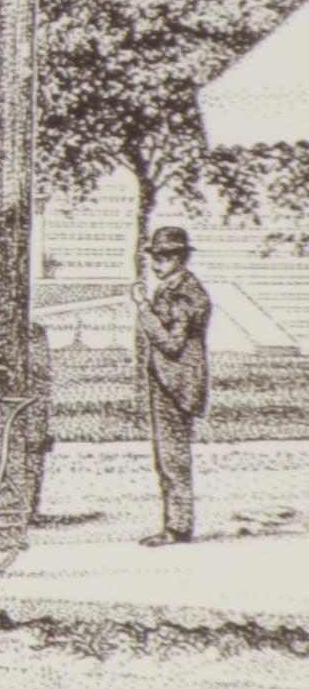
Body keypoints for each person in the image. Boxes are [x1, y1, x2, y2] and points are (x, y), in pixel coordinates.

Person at [136, 223, 215, 546]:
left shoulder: (185, 294)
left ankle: (178, 527)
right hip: (167, 380)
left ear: (180, 258)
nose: (157, 264)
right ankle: (174, 524)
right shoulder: (172, 288)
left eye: (165, 257)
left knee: (173, 458)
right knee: (167, 457)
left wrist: (143, 309)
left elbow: (170, 343)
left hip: (177, 385)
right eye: (156, 257)